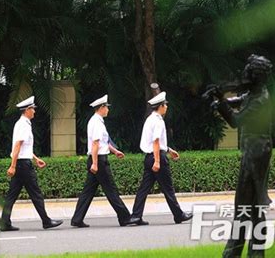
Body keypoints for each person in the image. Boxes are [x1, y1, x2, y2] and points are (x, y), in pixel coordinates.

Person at [209, 54, 273, 258]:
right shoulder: (254, 93)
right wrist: (220, 99)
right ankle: (246, 252)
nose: (244, 72)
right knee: (249, 205)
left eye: (248, 69)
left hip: (257, 153)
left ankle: (242, 252)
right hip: (253, 151)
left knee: (250, 204)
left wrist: (221, 104)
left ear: (255, 75)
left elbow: (236, 121)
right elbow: (237, 101)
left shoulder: (260, 99)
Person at [71, 95, 140, 228]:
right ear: (101, 108)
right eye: (106, 107)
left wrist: (114, 151)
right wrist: (95, 163)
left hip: (98, 159)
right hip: (99, 161)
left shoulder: (97, 121)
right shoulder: (96, 122)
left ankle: (77, 219)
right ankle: (125, 218)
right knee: (111, 190)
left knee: (88, 192)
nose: (108, 110)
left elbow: (103, 142)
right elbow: (95, 144)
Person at [0, 96, 63, 231]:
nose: (34, 111)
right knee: (36, 194)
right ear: (27, 110)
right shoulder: (24, 125)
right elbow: (17, 146)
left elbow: (23, 147)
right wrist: (13, 165)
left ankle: (4, 223)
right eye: (33, 109)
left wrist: (35, 158)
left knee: (12, 195)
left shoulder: (22, 123)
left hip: (22, 163)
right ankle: (46, 221)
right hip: (23, 166)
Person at [131, 92, 193, 225]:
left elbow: (155, 142)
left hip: (149, 157)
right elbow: (156, 141)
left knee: (144, 189)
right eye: (165, 105)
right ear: (160, 106)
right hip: (157, 157)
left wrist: (169, 150)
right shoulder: (158, 121)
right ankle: (178, 215)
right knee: (168, 188)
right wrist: (158, 161)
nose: (166, 107)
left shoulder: (150, 119)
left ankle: (136, 216)